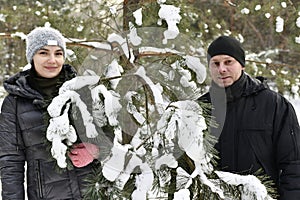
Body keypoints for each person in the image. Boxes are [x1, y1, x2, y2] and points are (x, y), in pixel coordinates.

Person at [0, 26, 101, 199]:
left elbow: (111, 137)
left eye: (58, 53)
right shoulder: (14, 103)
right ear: (32, 56)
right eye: (44, 53)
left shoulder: (82, 91)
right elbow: (10, 161)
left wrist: (96, 150)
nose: (52, 60)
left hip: (90, 193)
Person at [199, 35, 300, 200]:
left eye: (228, 62)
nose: (221, 69)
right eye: (215, 63)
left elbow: (293, 163)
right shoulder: (200, 108)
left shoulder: (273, 104)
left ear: (242, 64)